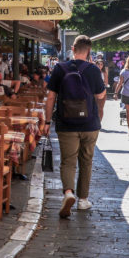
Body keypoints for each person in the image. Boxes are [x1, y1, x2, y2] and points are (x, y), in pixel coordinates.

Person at [44, 35, 106, 218]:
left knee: (68, 161)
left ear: (73, 48)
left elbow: (50, 98)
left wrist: (47, 121)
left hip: (66, 124)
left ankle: (68, 193)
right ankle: (83, 200)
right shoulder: (93, 70)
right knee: (86, 161)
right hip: (90, 124)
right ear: (89, 51)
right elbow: (101, 95)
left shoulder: (60, 68)